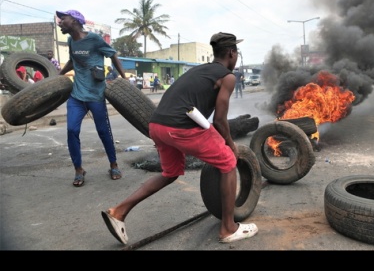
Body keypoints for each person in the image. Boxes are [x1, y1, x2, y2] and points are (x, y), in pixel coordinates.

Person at [101, 32, 258, 245]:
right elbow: (220, 120)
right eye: (236, 53)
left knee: (170, 173)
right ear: (232, 53)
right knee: (229, 162)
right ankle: (229, 228)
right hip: (180, 126)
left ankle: (119, 211)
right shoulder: (227, 76)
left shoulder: (198, 71)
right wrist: (231, 144)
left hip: (156, 125)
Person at [56, 9, 126, 187]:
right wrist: (58, 75)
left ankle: (113, 164)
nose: (60, 21)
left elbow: (112, 54)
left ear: (75, 20)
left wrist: (124, 78)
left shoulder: (94, 39)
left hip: (96, 95)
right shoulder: (71, 40)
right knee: (72, 130)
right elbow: (73, 60)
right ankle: (79, 169)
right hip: (77, 96)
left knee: (103, 131)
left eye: (63, 19)